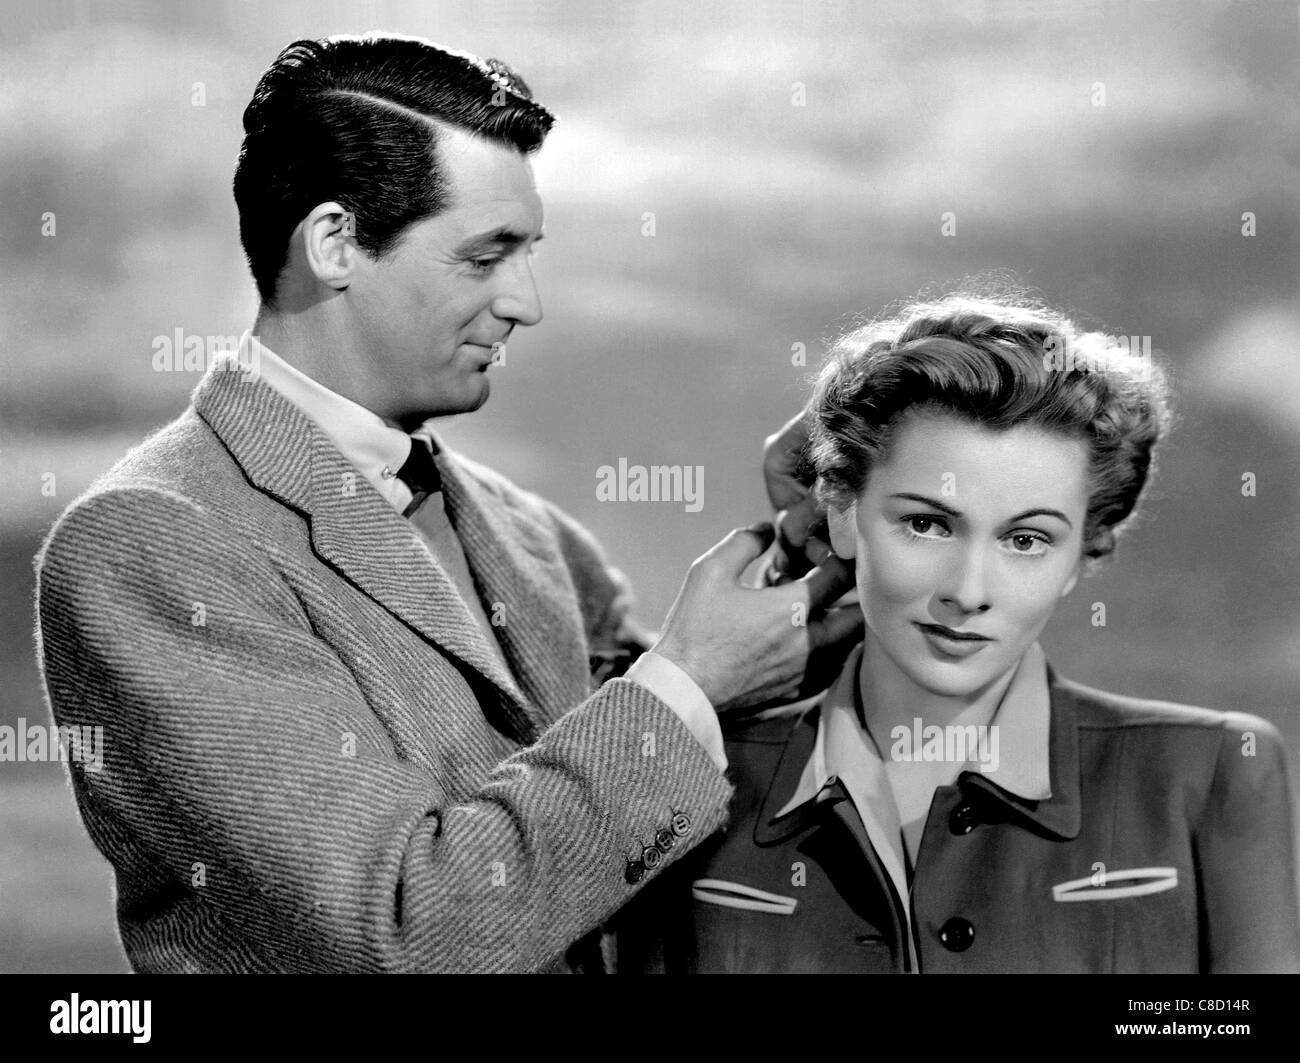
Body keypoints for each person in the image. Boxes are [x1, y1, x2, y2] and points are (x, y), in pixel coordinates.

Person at [32, 33, 862, 973]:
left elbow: (689, 785)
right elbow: (402, 933)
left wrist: (853, 496)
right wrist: (688, 682)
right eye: (486, 255)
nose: (526, 301)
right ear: (336, 243)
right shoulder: (151, 539)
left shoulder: (529, 532)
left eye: (529, 251)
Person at [615, 293, 1300, 973]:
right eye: (927, 522)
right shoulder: (691, 778)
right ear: (844, 513)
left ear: (1082, 555)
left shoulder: (1211, 772)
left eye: (1027, 539)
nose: (968, 591)